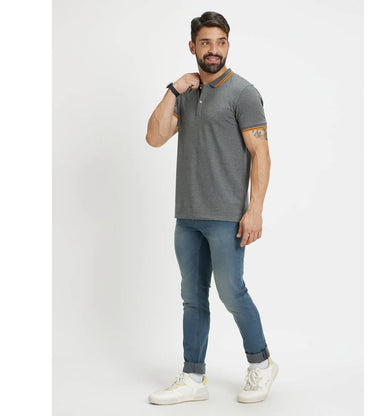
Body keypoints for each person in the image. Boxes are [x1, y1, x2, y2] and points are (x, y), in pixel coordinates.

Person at [146, 11, 278, 405]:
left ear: (228, 46)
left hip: (226, 217)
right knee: (192, 297)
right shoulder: (185, 94)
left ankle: (261, 364)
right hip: (187, 215)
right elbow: (154, 138)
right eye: (205, 42)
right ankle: (193, 377)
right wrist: (172, 90)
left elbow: (261, 154)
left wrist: (254, 210)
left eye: (220, 42)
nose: (213, 50)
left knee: (232, 293)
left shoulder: (243, 93)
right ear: (193, 47)